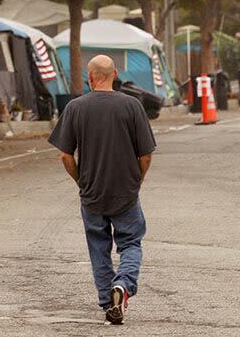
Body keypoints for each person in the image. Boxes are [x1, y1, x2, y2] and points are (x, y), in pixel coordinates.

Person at [48, 54, 155, 325]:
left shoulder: (75, 107)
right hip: (126, 192)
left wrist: (80, 181)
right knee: (130, 242)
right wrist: (137, 180)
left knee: (99, 248)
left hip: (92, 192)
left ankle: (110, 304)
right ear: (115, 73)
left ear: (90, 76)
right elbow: (146, 155)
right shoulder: (132, 106)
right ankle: (124, 284)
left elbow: (64, 155)